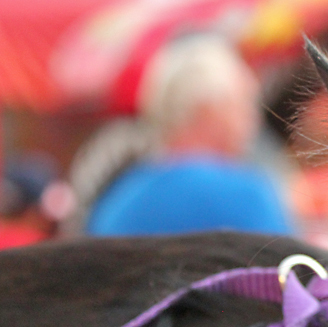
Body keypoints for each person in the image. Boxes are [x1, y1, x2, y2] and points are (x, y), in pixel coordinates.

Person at [82, 34, 293, 238]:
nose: (254, 121)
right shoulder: (247, 196)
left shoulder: (119, 200)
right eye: (245, 104)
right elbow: (292, 269)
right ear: (211, 110)